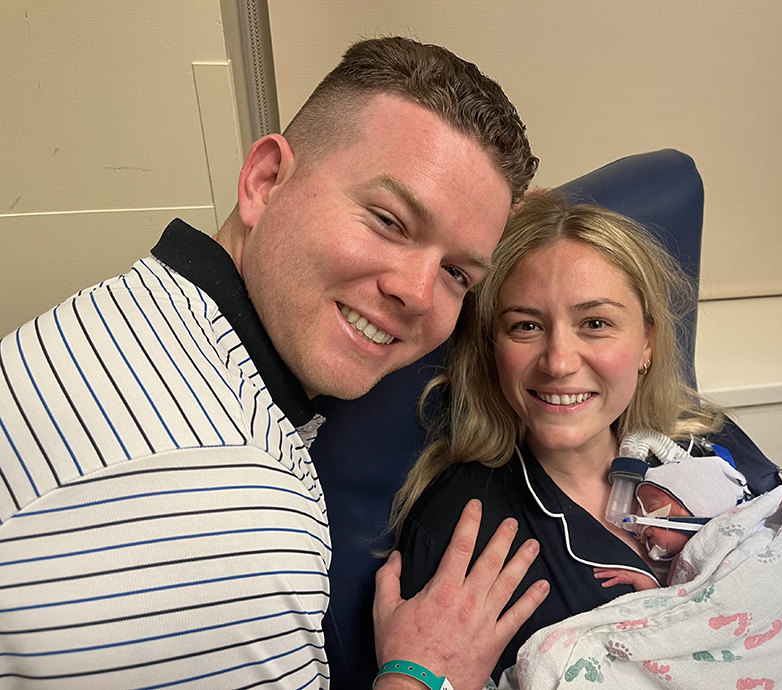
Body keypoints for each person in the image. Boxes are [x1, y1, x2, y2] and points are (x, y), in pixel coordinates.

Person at [0, 37, 549, 690]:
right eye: (389, 221)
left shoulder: (120, 317)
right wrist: (422, 674)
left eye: (458, 272)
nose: (419, 294)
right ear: (264, 181)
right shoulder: (241, 527)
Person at [392, 191, 779, 681]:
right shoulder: (462, 528)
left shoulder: (706, 441)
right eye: (526, 326)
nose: (558, 362)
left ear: (647, 343)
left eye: (595, 323)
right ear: (493, 348)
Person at [594, 454, 749, 591]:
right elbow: (673, 601)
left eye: (651, 507)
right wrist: (643, 580)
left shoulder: (721, 552)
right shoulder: (681, 564)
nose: (640, 523)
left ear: (697, 508)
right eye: (640, 511)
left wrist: (642, 581)